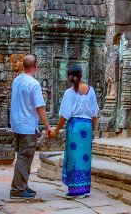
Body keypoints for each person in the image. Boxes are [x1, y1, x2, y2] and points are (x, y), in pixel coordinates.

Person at [50, 64, 99, 197]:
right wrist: (92, 130)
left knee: (74, 158)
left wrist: (56, 130)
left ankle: (75, 189)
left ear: (69, 77)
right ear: (81, 75)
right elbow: (94, 114)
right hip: (87, 127)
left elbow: (65, 115)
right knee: (85, 157)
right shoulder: (91, 90)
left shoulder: (69, 93)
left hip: (75, 127)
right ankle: (84, 188)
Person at [9, 54, 52, 199]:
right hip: (27, 125)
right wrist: (48, 127)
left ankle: (22, 184)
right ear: (36, 66)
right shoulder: (33, 84)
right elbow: (40, 108)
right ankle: (17, 189)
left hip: (16, 124)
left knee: (23, 155)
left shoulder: (16, 80)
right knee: (25, 157)